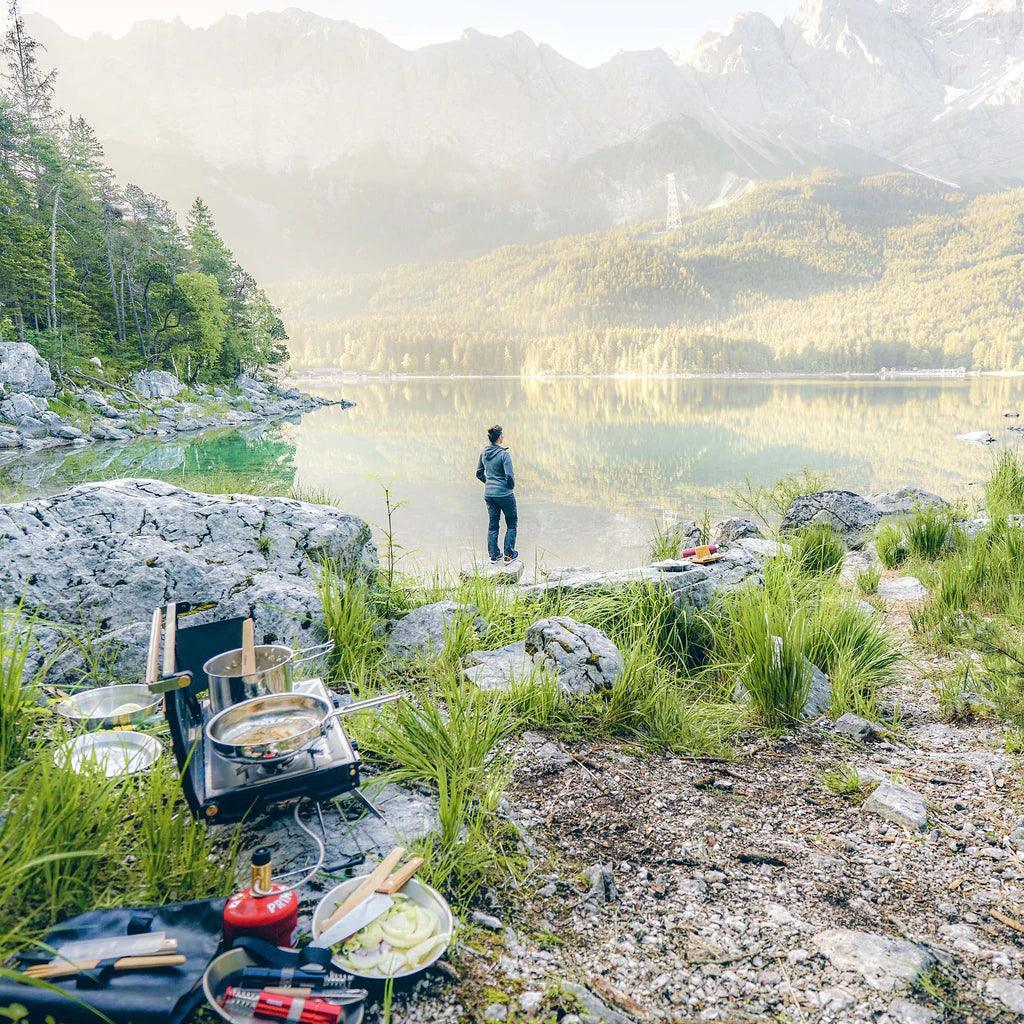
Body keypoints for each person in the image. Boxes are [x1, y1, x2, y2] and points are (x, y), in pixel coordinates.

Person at [475, 424, 518, 564]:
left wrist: (489, 483)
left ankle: (494, 556)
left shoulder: (484, 453)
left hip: (489, 494)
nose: (503, 437)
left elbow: (479, 473)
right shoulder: (504, 454)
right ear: (499, 437)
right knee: (511, 523)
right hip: (504, 494)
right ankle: (509, 555)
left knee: (493, 524)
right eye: (502, 435)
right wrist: (509, 487)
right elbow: (509, 476)